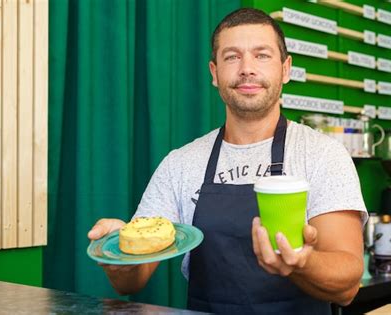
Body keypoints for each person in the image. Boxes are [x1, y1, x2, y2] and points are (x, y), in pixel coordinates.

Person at [88, 8, 367, 314]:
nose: (247, 68)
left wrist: (302, 261)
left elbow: (347, 286)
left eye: (261, 55)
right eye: (232, 56)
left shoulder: (322, 155)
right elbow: (131, 282)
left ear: (285, 69)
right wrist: (118, 254)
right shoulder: (180, 164)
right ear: (214, 72)